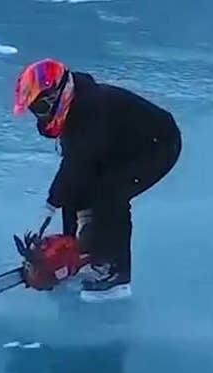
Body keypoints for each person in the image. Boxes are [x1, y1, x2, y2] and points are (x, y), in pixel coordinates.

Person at [12, 58, 183, 302]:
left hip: (159, 145)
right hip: (118, 149)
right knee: (82, 189)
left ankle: (117, 275)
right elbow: (74, 181)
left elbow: (76, 166)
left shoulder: (90, 110)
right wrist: (67, 247)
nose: (39, 117)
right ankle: (86, 257)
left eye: (39, 108)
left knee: (110, 194)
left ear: (56, 96)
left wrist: (47, 209)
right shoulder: (74, 111)